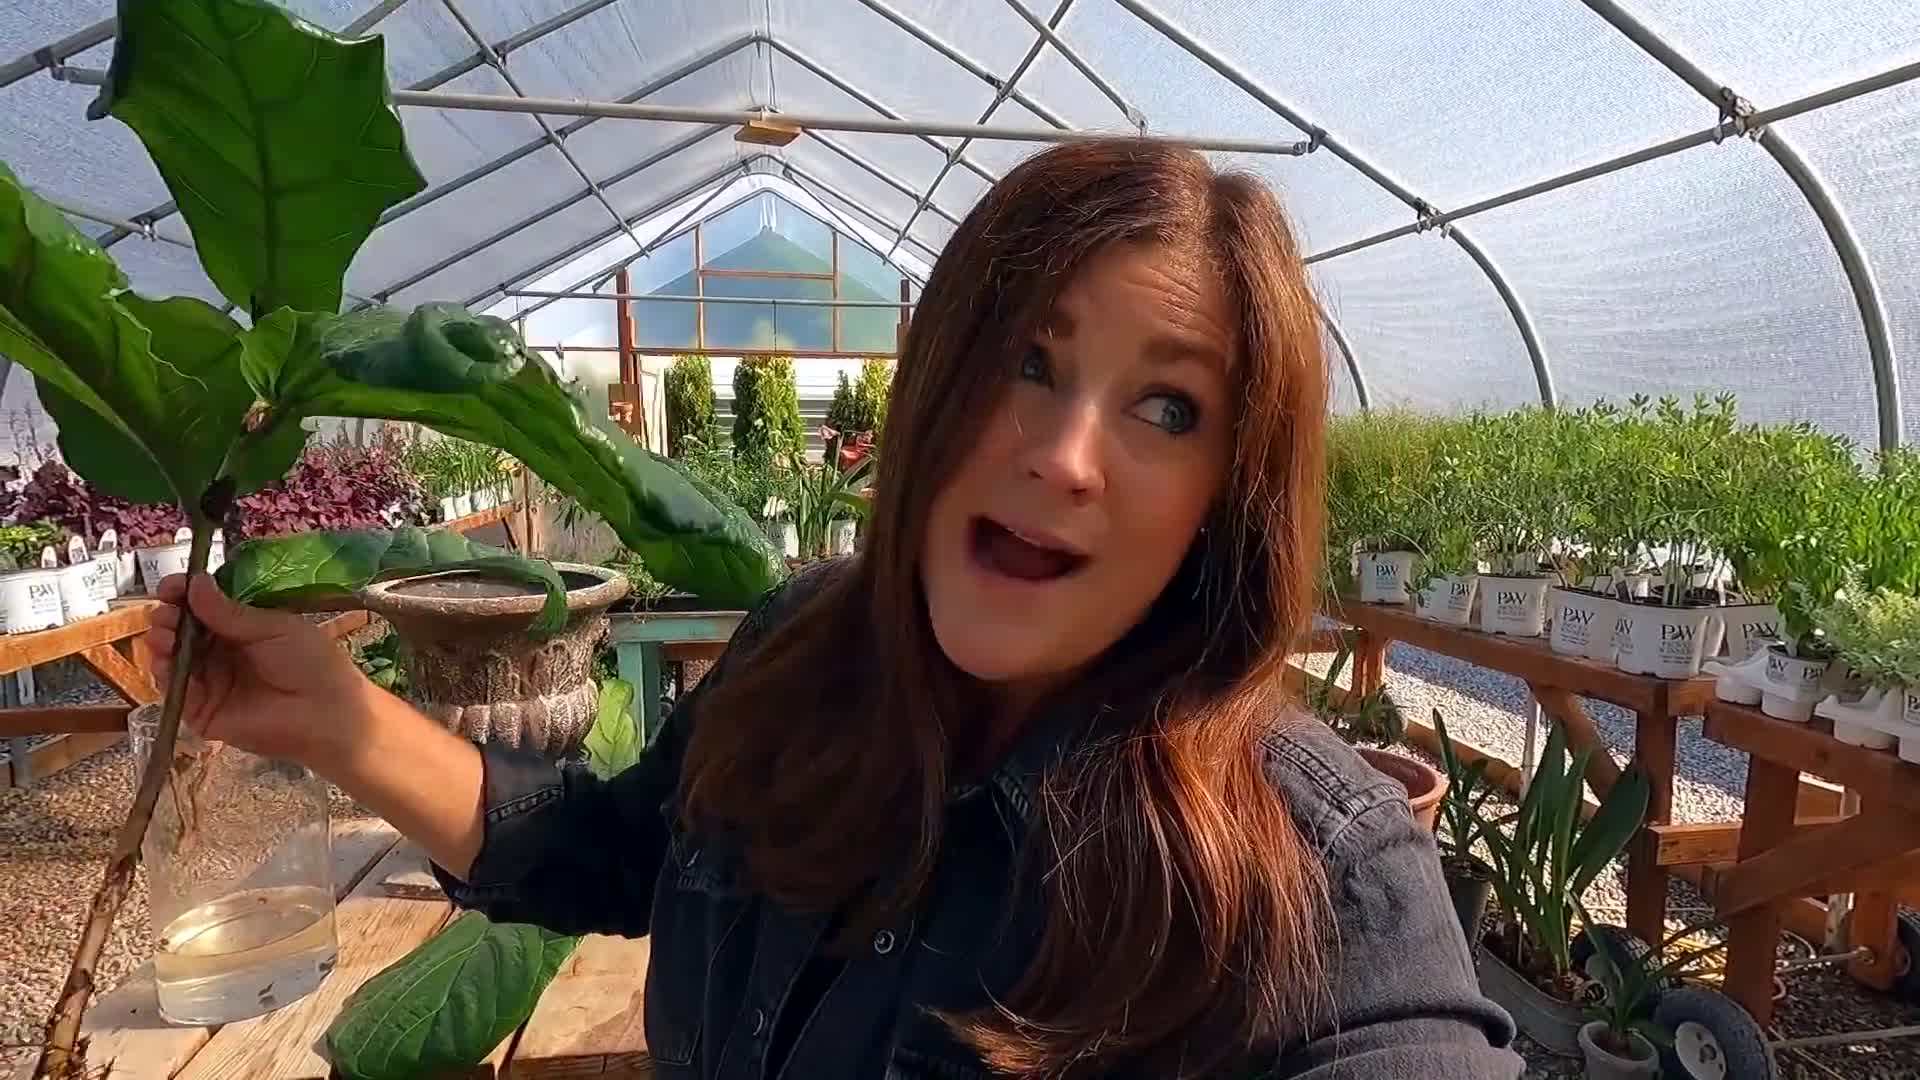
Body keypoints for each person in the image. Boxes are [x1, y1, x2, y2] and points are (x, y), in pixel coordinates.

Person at [144, 139, 1522, 1079]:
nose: (1065, 456)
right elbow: (610, 852)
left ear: (1227, 493)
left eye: (1167, 408)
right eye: (1029, 360)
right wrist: (336, 720)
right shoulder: (800, 651)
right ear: (933, 381)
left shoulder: (1318, 887)